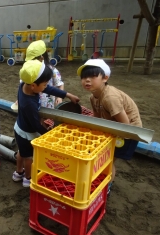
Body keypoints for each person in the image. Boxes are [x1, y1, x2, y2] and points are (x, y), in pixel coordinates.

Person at [77, 59, 142, 193]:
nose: (87, 80)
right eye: (84, 77)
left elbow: (125, 125)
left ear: (105, 78)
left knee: (108, 160)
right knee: (102, 157)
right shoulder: (93, 96)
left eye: (93, 76)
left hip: (128, 133)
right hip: (113, 128)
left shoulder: (110, 97)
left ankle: (107, 187)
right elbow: (96, 116)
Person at [13, 60, 80, 187]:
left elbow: (48, 88)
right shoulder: (29, 104)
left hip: (20, 127)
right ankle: (27, 178)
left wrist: (67, 94)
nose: (45, 87)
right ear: (34, 85)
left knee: (21, 152)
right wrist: (49, 134)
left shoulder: (24, 85)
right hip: (27, 133)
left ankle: (18, 173)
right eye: (44, 85)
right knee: (29, 157)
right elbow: (35, 126)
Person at [11, 40, 65, 111]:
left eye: (33, 59)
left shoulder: (52, 71)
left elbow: (60, 84)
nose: (31, 62)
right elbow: (23, 87)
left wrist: (59, 97)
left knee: (46, 121)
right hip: (32, 107)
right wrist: (20, 99)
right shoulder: (29, 71)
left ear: (42, 58)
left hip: (48, 108)